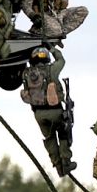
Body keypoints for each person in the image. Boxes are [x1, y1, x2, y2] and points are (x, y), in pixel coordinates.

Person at [20, 45, 76, 177]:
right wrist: (52, 48)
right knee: (63, 134)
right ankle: (66, 163)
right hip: (55, 111)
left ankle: (58, 166)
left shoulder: (26, 74)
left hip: (38, 114)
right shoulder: (52, 69)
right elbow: (61, 60)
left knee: (49, 138)